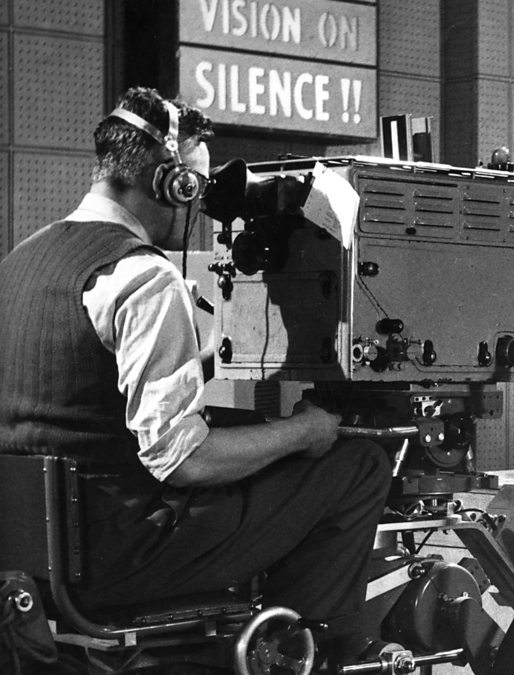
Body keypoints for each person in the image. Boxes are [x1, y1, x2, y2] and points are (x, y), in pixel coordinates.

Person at [0, 87, 389, 665]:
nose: (202, 204)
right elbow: (182, 460)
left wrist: (203, 365)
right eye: (199, 187)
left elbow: (76, 400)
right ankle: (305, 652)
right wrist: (304, 431)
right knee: (357, 466)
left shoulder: (20, 261)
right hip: (122, 556)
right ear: (170, 183)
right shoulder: (144, 277)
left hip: (36, 556)